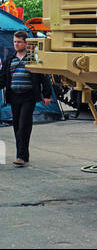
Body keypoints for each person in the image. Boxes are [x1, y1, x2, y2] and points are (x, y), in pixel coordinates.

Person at [0, 30, 52, 167]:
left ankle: (21, 157)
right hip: (14, 97)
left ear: (25, 43)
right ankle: (23, 155)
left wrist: (47, 95)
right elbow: (2, 79)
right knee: (17, 126)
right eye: (14, 42)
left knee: (24, 125)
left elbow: (43, 77)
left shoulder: (32, 58)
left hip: (28, 97)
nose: (16, 44)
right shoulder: (10, 59)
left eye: (19, 42)